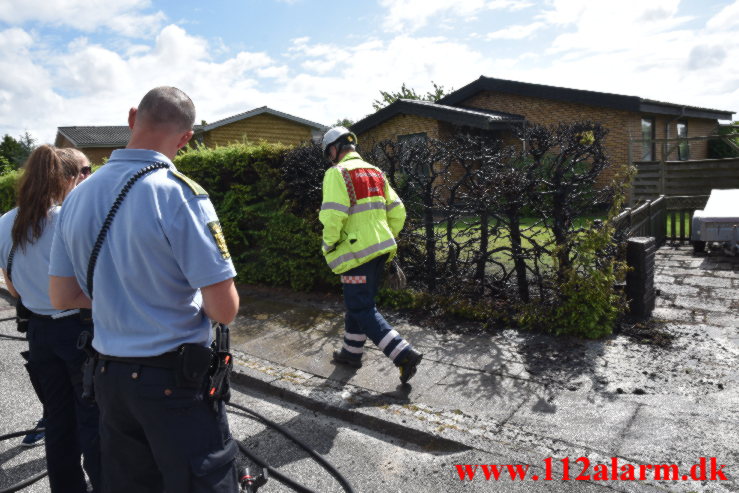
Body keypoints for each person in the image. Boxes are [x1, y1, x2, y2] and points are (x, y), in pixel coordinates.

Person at [49, 86, 240, 493]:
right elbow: (224, 309)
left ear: (133, 117)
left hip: (108, 378)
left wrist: (122, 298)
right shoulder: (180, 194)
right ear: (186, 138)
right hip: (172, 382)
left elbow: (62, 297)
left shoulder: (77, 198)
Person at [0, 145, 99, 492]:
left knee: (58, 422)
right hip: (79, 331)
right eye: (83, 174)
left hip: (40, 334)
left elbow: (13, 289)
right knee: (93, 421)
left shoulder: (6, 222)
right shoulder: (68, 220)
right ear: (69, 179)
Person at [319, 126, 423, 384]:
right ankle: (351, 353)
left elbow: (333, 215)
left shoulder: (337, 173)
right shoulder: (376, 172)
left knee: (361, 306)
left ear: (334, 149)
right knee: (357, 303)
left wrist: (329, 244)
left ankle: (403, 354)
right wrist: (386, 235)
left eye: (328, 152)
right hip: (380, 251)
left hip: (356, 255)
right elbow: (398, 211)